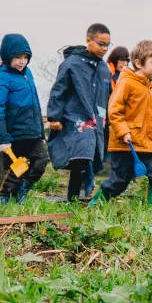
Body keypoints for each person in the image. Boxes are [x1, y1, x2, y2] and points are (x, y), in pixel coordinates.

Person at [92, 40, 152, 205]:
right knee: (119, 181)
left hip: (148, 143)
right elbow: (114, 109)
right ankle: (96, 203)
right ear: (139, 63)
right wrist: (123, 130)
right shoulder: (126, 83)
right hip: (126, 144)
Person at [47, 24, 112, 201]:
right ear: (88, 41)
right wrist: (54, 116)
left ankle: (73, 198)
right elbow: (58, 90)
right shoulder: (71, 64)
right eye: (101, 44)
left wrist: (110, 118)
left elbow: (109, 96)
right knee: (84, 151)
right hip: (75, 117)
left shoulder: (104, 69)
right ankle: (89, 186)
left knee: (85, 159)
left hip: (97, 120)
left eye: (108, 45)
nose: (105, 49)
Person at [0, 34, 49, 203]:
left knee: (41, 160)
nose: (22, 62)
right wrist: (2, 138)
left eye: (25, 57)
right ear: (7, 56)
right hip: (13, 133)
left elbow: (34, 101)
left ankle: (24, 187)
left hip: (31, 130)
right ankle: (4, 195)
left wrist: (40, 129)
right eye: (17, 57)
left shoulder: (26, 72)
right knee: (15, 168)